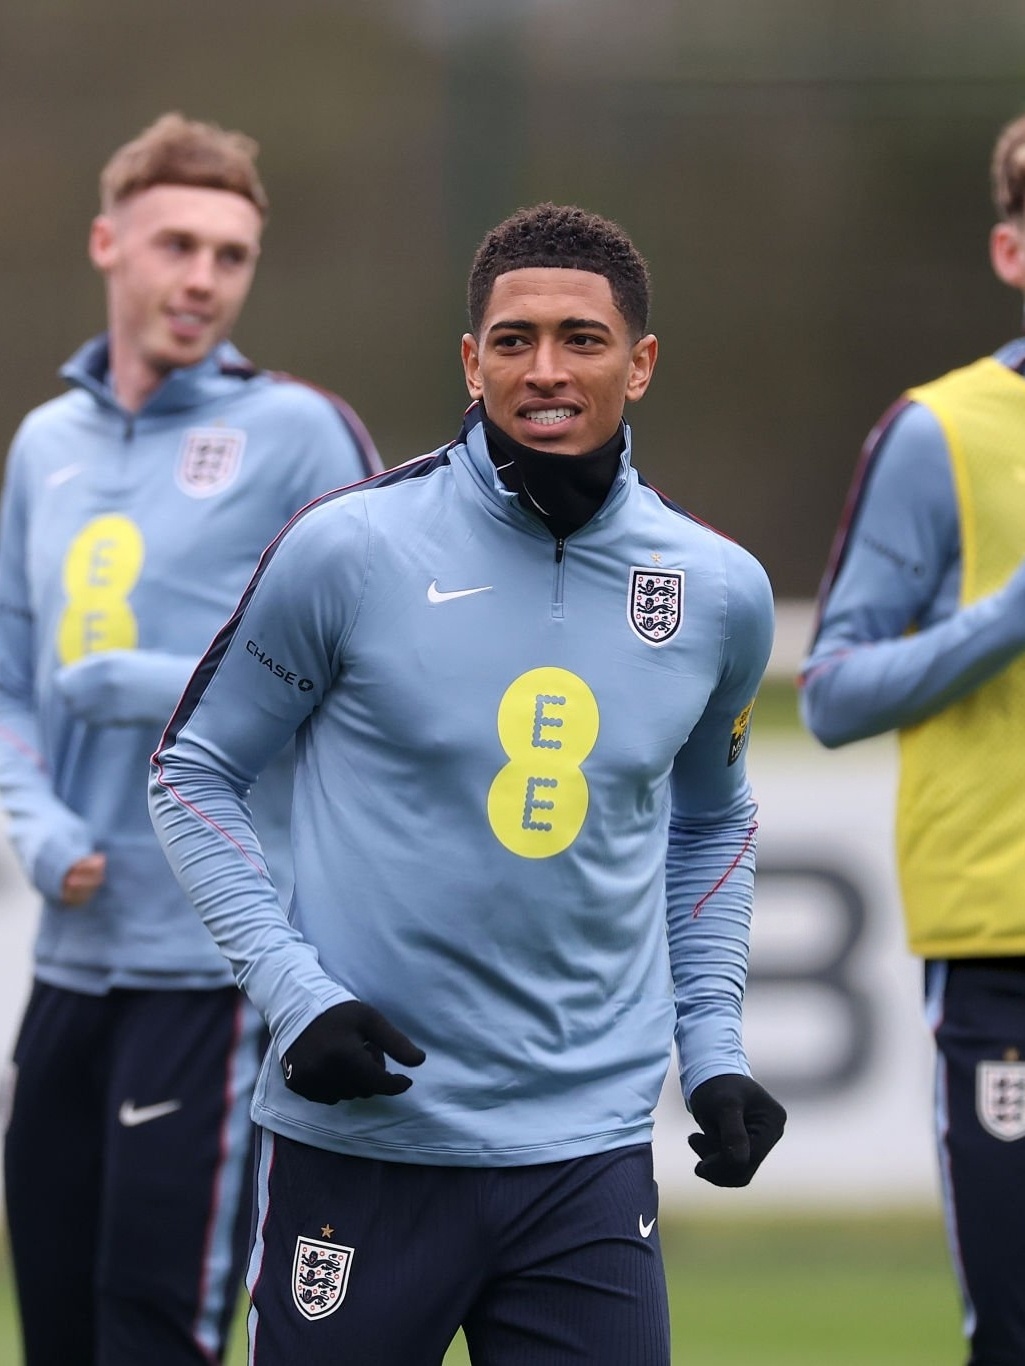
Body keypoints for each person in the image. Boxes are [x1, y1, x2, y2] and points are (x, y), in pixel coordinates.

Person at [149, 201, 786, 1366]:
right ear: (469, 361)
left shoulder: (718, 590)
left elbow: (710, 823)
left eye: (581, 339)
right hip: (366, 1138)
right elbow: (192, 773)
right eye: (512, 339)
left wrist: (713, 1047)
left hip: (586, 1159)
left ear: (639, 363)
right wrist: (296, 995)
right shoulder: (349, 548)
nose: (545, 370)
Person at [0, 112, 381, 1366]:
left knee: (154, 1331)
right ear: (107, 243)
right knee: (55, 1326)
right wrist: (33, 818)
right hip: (72, 960)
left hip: (213, 962)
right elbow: (8, 681)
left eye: (231, 255)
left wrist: (161, 687)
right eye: (177, 245)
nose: (203, 278)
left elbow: (375, 678)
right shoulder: (44, 445)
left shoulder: (300, 433)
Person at [800, 113, 1025, 1366]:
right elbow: (830, 691)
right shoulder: (938, 432)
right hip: (1002, 945)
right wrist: (1004, 617)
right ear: (1007, 251)